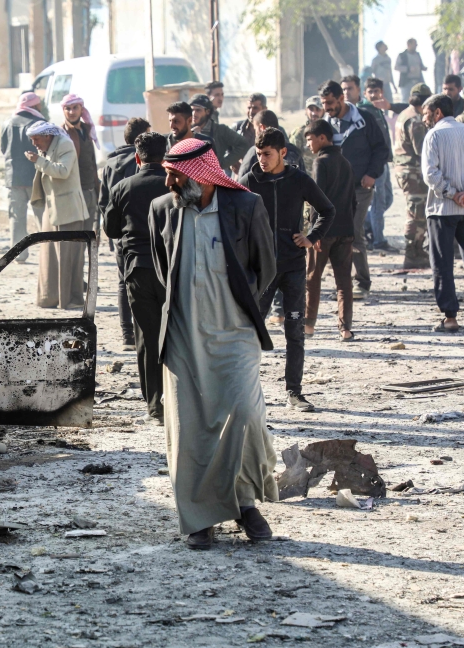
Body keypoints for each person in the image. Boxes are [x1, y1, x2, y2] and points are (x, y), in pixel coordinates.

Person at [148, 138, 277, 550]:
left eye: (175, 174)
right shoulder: (162, 211)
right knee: (189, 429)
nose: (168, 181)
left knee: (243, 415)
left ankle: (243, 502)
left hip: (235, 334)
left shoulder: (245, 206)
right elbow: (160, 267)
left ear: (200, 174)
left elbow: (266, 266)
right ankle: (199, 518)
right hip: (185, 337)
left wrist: (239, 307)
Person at [239, 128, 335, 412]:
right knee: (251, 332)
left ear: (282, 152)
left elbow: (328, 210)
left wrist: (311, 238)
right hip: (262, 271)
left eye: (267, 154)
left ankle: (294, 392)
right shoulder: (249, 181)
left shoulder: (299, 180)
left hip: (293, 266)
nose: (262, 160)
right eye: (258, 154)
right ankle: (247, 392)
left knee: (295, 331)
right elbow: (232, 216)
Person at [103, 131, 170, 421]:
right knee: (177, 335)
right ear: (165, 155)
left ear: (137, 157)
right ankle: (180, 398)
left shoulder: (123, 187)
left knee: (146, 337)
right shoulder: (174, 185)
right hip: (171, 270)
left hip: (138, 269)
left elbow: (112, 230)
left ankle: (154, 404)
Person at [421, 93, 464, 333]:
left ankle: (450, 318)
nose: (424, 118)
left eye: (426, 113)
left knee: (442, 263)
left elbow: (430, 174)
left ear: (437, 112)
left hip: (442, 209)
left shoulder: (434, 135)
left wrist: (453, 194)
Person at [320, 79, 388, 299]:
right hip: (334, 189)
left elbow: (381, 149)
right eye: (324, 104)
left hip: (360, 186)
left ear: (341, 98)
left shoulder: (364, 119)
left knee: (353, 231)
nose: (327, 108)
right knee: (335, 235)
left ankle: (362, 283)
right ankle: (343, 284)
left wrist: (372, 174)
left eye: (330, 103)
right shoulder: (325, 123)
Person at [100, 117, 152, 351]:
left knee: (122, 281)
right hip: (142, 230)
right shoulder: (142, 162)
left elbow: (103, 202)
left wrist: (115, 226)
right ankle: (144, 333)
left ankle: (127, 335)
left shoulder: (110, 164)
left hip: (120, 232)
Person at [303, 119, 357, 342]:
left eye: (310, 139)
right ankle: (345, 329)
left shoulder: (320, 163)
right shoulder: (345, 162)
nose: (308, 144)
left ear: (322, 138)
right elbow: (353, 201)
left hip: (324, 232)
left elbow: (318, 200)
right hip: (346, 229)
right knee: (344, 282)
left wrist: (315, 232)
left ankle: (308, 326)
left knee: (312, 278)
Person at [27, 121, 89, 309]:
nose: (34, 144)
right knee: (50, 255)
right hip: (52, 208)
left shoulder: (65, 145)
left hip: (68, 210)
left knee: (67, 256)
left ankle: (70, 299)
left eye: (36, 139)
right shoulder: (48, 146)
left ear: (47, 136)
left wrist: (38, 161)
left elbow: (62, 171)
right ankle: (50, 297)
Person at [393, 83, 433, 269]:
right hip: (413, 172)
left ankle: (417, 249)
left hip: (405, 170)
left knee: (417, 211)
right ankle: (411, 252)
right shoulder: (416, 119)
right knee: (416, 213)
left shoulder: (404, 114)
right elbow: (421, 149)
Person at [1, 92, 45, 263]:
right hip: (35, 178)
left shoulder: (7, 124)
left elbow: (3, 149)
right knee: (43, 218)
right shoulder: (40, 124)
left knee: (17, 218)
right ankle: (47, 253)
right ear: (34, 106)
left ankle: (19, 255)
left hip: (14, 178)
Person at [356, 76, 396, 251]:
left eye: (376, 91)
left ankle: (366, 227)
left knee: (387, 198)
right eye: (370, 92)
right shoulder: (364, 111)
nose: (373, 94)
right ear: (365, 93)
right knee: (378, 201)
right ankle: (378, 240)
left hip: (384, 161)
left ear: (382, 92)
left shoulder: (379, 109)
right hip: (374, 163)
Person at [60, 94, 101, 235]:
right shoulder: (62, 134)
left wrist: (97, 187)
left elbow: (91, 161)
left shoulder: (88, 130)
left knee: (89, 234)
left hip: (90, 190)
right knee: (75, 236)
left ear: (81, 109)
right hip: (74, 192)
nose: (71, 112)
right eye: (68, 108)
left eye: (75, 108)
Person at [235, 110, 306, 178]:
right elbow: (304, 181)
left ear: (261, 127)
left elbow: (242, 182)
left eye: (255, 129)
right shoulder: (295, 151)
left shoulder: (255, 152)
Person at [189, 94, 250, 172]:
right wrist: (191, 136)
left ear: (207, 111)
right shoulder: (186, 129)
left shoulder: (220, 130)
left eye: (198, 110)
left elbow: (243, 144)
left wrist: (223, 163)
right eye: (192, 110)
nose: (194, 114)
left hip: (212, 178)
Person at [289, 96, 324, 173]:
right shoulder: (299, 133)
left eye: (318, 109)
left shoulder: (329, 132)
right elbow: (291, 160)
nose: (314, 113)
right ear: (306, 111)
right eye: (311, 109)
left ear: (323, 111)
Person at [395, 39, 427, 103]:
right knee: (406, 100)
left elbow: (420, 65)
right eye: (414, 44)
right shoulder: (402, 55)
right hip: (406, 82)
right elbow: (396, 67)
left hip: (417, 81)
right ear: (409, 45)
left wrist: (423, 68)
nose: (416, 46)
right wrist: (408, 69)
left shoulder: (417, 54)